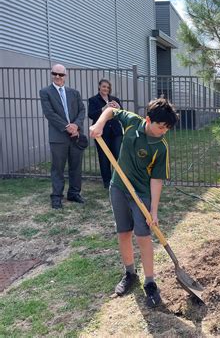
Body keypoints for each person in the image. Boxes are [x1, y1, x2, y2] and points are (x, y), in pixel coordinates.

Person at [89, 97, 178, 308]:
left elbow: (156, 181)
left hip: (142, 194)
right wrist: (99, 124)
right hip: (118, 187)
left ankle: (150, 282)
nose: (164, 130)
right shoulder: (132, 122)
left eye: (167, 128)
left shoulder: (161, 147)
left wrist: (153, 211)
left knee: (143, 236)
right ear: (148, 119)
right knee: (123, 233)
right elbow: (111, 111)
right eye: (161, 126)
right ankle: (130, 273)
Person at [40, 64, 86, 209]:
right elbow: (49, 113)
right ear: (51, 74)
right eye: (55, 73)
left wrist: (76, 126)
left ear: (65, 76)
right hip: (58, 137)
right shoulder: (45, 92)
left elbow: (82, 110)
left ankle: (74, 193)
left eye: (60, 74)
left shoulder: (74, 93)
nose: (57, 77)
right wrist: (67, 127)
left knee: (76, 166)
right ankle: (57, 197)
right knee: (58, 168)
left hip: (75, 135)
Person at [88, 79, 123, 188]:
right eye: (104, 87)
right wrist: (104, 108)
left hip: (116, 132)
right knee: (104, 158)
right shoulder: (93, 100)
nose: (106, 89)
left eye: (108, 87)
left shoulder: (114, 99)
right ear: (99, 87)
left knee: (118, 156)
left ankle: (119, 180)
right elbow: (91, 115)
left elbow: (121, 114)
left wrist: (119, 108)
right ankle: (107, 183)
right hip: (102, 133)